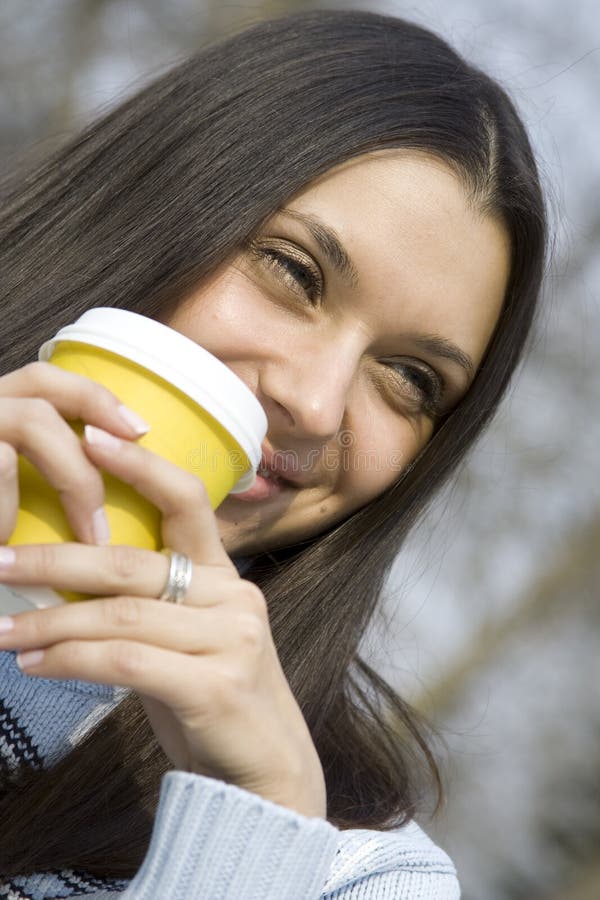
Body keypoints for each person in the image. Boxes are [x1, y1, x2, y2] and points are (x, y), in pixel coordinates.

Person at [0, 8, 546, 899]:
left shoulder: (360, 871)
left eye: (409, 378)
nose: (317, 403)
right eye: (295, 271)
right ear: (141, 205)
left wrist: (252, 833)